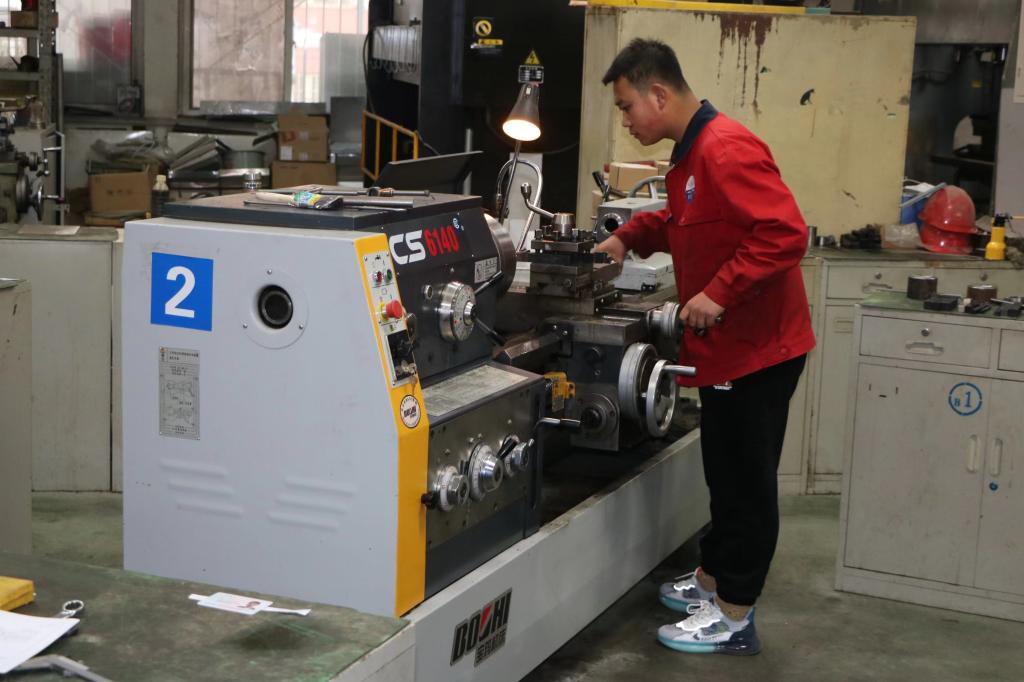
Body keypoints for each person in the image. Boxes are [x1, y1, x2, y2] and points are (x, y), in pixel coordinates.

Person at [595, 38, 815, 656]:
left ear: (658, 94)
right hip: (727, 351)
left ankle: (735, 613)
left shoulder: (724, 148)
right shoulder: (691, 156)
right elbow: (684, 221)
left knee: (745, 483)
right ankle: (714, 577)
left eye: (626, 106)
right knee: (723, 471)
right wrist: (628, 236)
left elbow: (784, 233)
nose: (625, 120)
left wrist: (718, 292)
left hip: (759, 349)